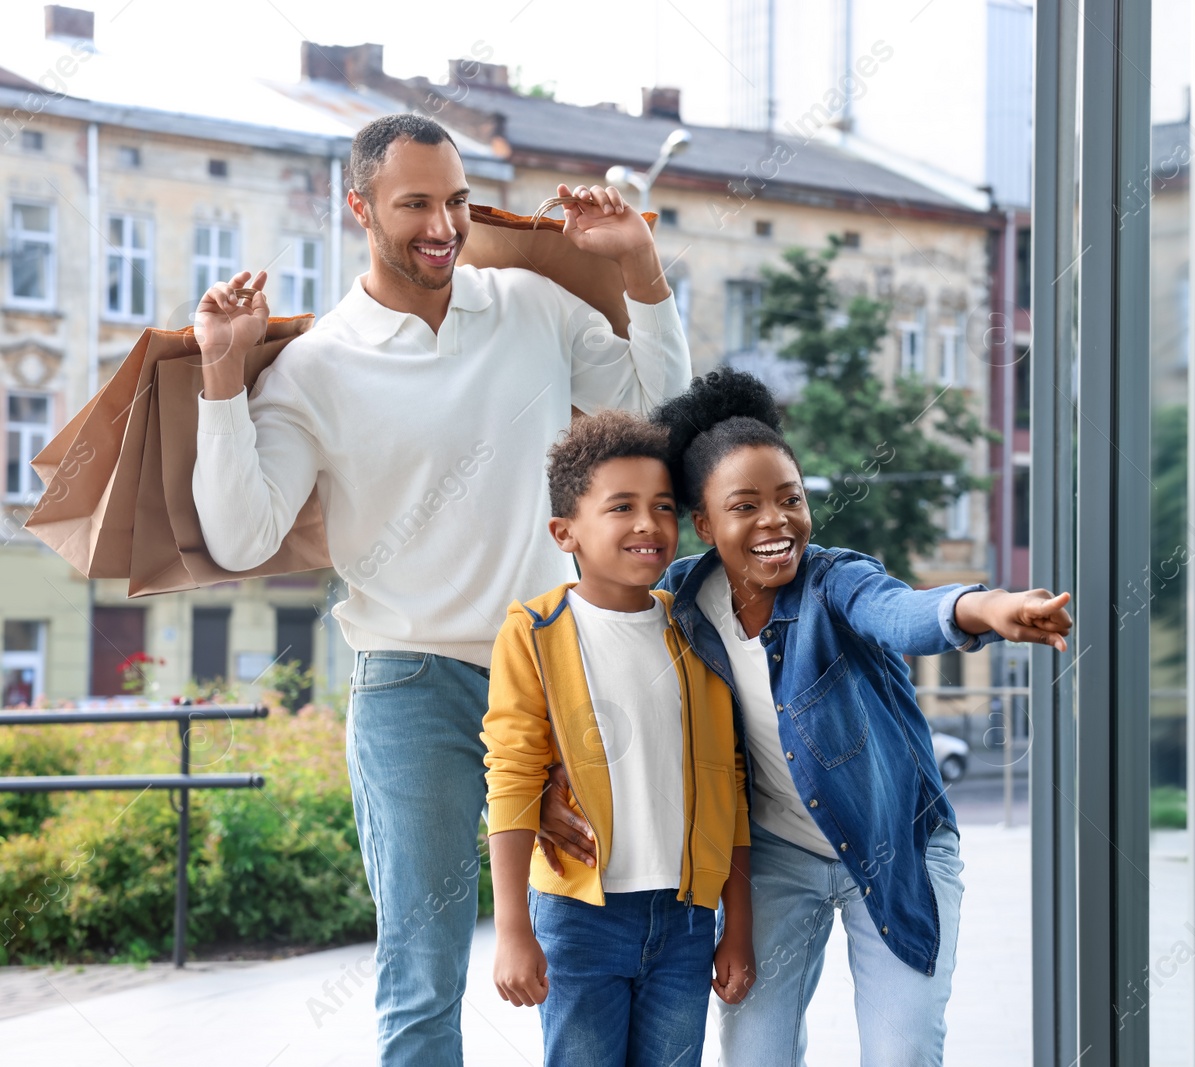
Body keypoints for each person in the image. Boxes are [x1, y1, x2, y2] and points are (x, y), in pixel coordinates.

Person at [190, 113, 691, 1066]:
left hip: (555, 675)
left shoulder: (528, 305)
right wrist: (223, 371)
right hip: (411, 685)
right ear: (361, 208)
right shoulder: (317, 366)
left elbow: (658, 419)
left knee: (592, 940)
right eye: (416, 202)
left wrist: (641, 268)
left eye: (456, 201)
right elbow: (242, 532)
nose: (444, 225)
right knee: (423, 978)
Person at [536, 370, 1073, 1066]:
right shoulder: (681, 601)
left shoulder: (835, 580)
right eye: (746, 505)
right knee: (756, 1054)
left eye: (791, 498)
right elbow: (584, 649)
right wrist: (550, 772)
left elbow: (901, 611)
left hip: (892, 845)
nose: (776, 521)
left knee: (901, 1054)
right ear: (705, 523)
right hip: (778, 856)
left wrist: (982, 609)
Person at [481, 410, 755, 1066]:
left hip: (687, 917)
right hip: (579, 919)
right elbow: (513, 774)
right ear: (565, 531)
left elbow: (731, 783)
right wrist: (512, 926)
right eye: (621, 506)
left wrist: (736, 924)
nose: (647, 524)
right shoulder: (534, 631)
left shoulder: (695, 628)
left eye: (663, 506)